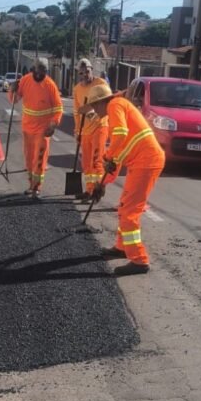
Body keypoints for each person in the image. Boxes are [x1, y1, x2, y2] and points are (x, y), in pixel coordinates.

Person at [79, 82, 165, 276]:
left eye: (94, 107)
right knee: (124, 205)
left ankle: (139, 260)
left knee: (129, 212)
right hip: (141, 162)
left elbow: (120, 135)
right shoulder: (117, 108)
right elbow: (117, 157)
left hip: (147, 162)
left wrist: (108, 156)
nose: (95, 112)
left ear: (100, 102)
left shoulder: (115, 105)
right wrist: (102, 183)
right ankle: (122, 247)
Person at [9, 57, 63, 197]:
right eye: (38, 70)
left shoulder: (50, 85)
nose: (39, 73)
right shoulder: (25, 80)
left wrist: (53, 124)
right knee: (29, 159)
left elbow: (58, 108)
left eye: (43, 71)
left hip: (43, 130)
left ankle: (37, 187)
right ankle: (31, 185)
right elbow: (14, 100)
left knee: (39, 159)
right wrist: (12, 90)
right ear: (33, 69)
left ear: (46, 71)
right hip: (27, 128)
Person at [73, 59, 108, 202]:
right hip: (85, 131)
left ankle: (97, 191)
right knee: (86, 163)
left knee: (96, 161)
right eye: (81, 73)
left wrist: (90, 110)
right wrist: (77, 131)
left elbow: (107, 103)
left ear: (91, 69)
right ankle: (88, 190)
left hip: (100, 127)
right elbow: (77, 112)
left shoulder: (101, 83)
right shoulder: (77, 89)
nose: (85, 75)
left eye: (87, 71)